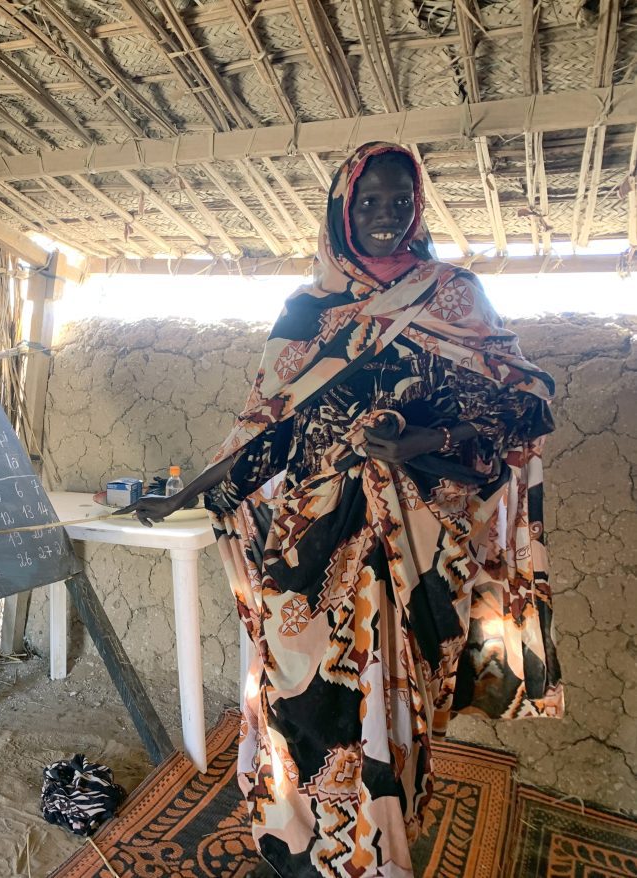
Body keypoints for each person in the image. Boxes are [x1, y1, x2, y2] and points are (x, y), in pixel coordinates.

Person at [121, 142, 563, 877]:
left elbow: (519, 403)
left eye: (399, 201)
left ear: (417, 207)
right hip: (311, 538)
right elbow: (270, 429)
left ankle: (381, 852)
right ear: (341, 210)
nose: (385, 216)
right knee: (297, 692)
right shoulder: (307, 311)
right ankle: (301, 844)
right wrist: (188, 492)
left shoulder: (453, 297)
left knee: (393, 705)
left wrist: (425, 437)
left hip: (414, 539)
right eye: (369, 202)